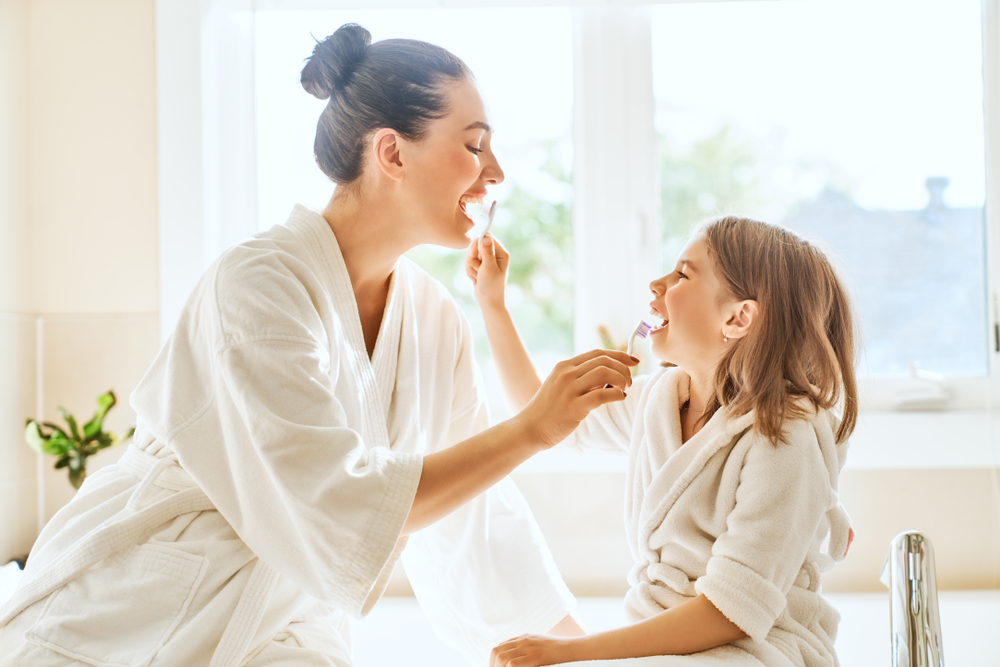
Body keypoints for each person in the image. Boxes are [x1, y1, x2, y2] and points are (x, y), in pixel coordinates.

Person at [0, 24, 637, 666]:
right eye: (474, 147)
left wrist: (586, 651)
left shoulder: (433, 316)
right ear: (391, 152)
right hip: (128, 614)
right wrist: (534, 428)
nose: (494, 173)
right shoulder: (258, 285)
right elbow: (339, 502)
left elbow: (472, 516)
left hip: (285, 628)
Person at [467, 216, 857, 667]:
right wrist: (492, 303)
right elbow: (545, 422)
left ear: (736, 317)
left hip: (756, 649)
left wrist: (572, 652)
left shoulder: (784, 437)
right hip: (665, 642)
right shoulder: (661, 398)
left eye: (682, 274)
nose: (657, 284)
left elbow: (732, 611)